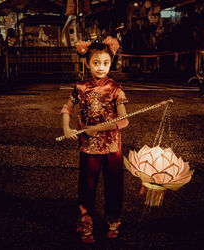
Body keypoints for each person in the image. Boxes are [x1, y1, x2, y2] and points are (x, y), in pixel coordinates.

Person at [60, 36, 129, 243]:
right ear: (87, 63)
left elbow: (124, 121)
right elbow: (67, 108)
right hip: (88, 147)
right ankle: (86, 222)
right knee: (87, 186)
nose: (101, 68)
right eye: (96, 63)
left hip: (112, 147)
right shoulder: (80, 87)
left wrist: (99, 127)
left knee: (114, 185)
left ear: (111, 63)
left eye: (106, 63)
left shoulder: (115, 87)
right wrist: (66, 127)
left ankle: (113, 221)